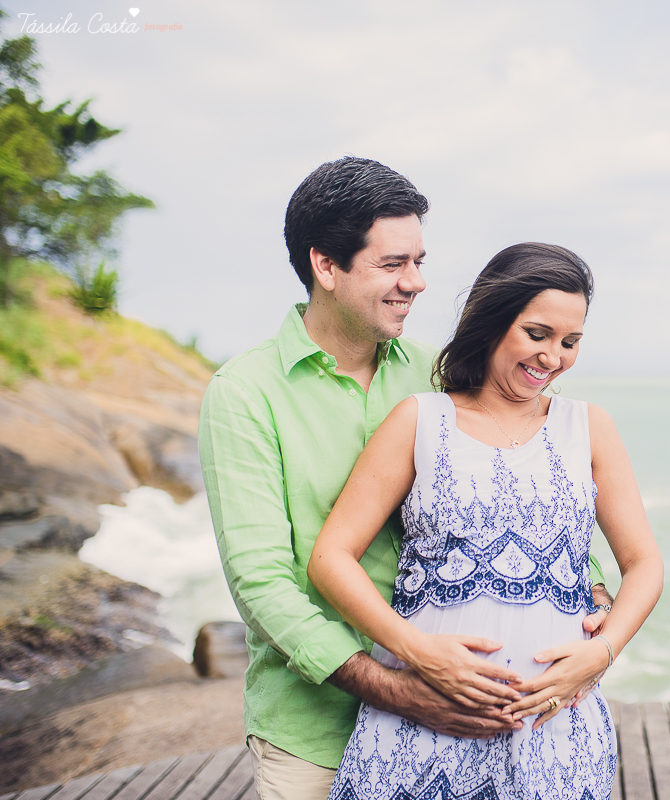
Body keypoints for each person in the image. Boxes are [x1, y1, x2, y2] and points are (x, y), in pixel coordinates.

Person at [198, 158, 612, 800]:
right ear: (326, 266)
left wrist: (593, 611)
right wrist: (403, 686)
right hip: (316, 733)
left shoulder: (440, 374)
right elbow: (262, 583)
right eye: (394, 264)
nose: (416, 283)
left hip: (464, 734)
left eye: (420, 260)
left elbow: (526, 493)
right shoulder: (244, 393)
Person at [308, 243, 664, 800]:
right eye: (538, 333)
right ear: (494, 321)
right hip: (421, 729)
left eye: (571, 342)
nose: (554, 357)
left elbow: (643, 564)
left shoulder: (589, 427)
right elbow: (330, 557)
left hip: (553, 735)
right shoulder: (420, 419)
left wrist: (601, 651)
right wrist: (418, 652)